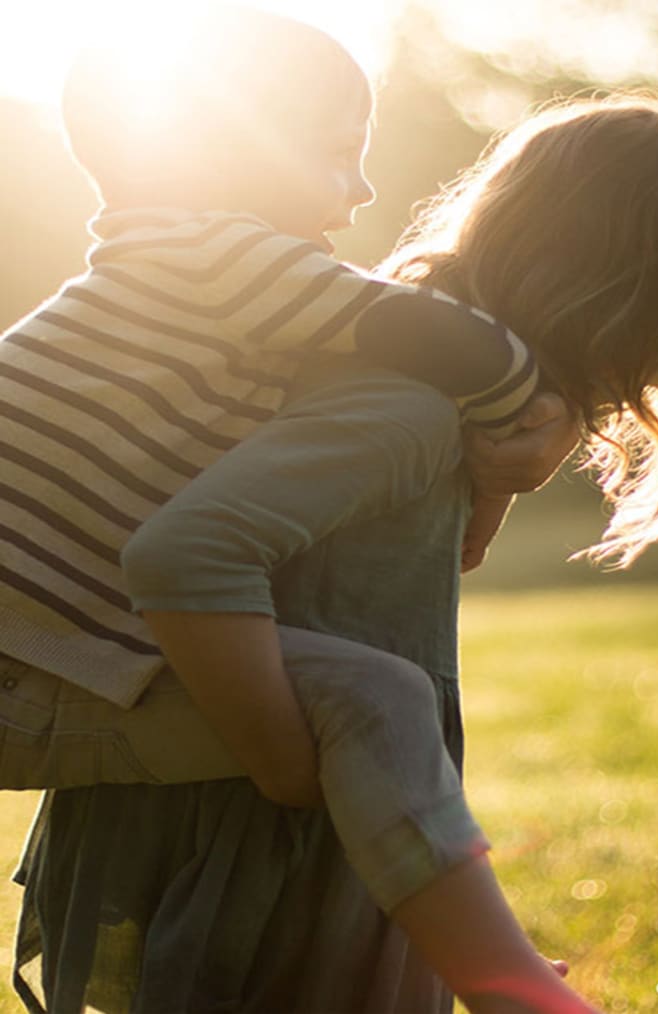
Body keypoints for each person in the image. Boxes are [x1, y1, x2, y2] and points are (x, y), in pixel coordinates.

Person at [3, 6, 586, 1014]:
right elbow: (445, 339)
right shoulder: (221, 261)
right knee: (378, 700)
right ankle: (509, 987)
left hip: (39, 656)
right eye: (335, 157)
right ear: (226, 154)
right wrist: (530, 423)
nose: (360, 192)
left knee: (363, 698)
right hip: (29, 669)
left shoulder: (164, 272)